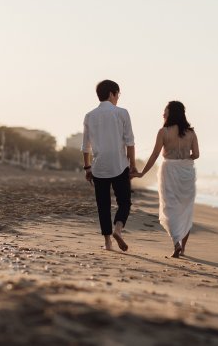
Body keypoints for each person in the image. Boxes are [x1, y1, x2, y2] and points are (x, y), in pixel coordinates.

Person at [132, 101, 199, 258]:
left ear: (171, 113)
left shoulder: (163, 132)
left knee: (170, 208)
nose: (163, 114)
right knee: (185, 209)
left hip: (169, 170)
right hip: (186, 171)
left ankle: (176, 243)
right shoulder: (191, 133)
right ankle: (183, 247)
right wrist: (184, 158)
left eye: (165, 111)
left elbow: (155, 155)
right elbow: (196, 154)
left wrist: (142, 173)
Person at [81, 80, 137, 251]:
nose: (118, 98)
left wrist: (87, 168)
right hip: (119, 165)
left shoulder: (90, 115)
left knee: (103, 205)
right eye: (118, 94)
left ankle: (107, 242)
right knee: (125, 202)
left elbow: (86, 146)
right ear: (112, 93)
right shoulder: (122, 113)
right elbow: (130, 142)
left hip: (99, 167)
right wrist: (132, 165)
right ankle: (118, 229)